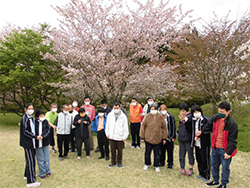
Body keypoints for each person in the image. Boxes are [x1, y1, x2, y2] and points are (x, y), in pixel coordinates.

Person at [196, 102, 238, 188]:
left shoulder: (232, 124)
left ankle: (223, 184)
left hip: (225, 149)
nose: (220, 113)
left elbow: (233, 140)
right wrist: (202, 131)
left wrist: (229, 152)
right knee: (214, 165)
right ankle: (215, 180)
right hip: (215, 147)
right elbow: (208, 126)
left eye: (222, 112)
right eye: (219, 111)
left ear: (228, 112)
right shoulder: (215, 118)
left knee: (225, 168)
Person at [140, 103, 168, 172]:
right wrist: (142, 137)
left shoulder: (160, 117)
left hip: (157, 138)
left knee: (157, 153)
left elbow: (164, 128)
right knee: (147, 153)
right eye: (152, 109)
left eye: (154, 109)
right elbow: (143, 126)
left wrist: (164, 138)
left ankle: (156, 165)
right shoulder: (147, 116)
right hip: (148, 138)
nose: (153, 111)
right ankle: (147, 164)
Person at [20, 103, 41, 187]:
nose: (31, 110)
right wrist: (35, 137)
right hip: (28, 143)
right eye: (29, 108)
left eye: (32, 108)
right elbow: (25, 131)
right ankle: (31, 181)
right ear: (25, 109)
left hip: (32, 142)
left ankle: (27, 175)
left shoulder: (31, 118)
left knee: (30, 159)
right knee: (31, 161)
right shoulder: (24, 118)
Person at [190, 105, 211, 182]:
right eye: (194, 112)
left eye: (198, 111)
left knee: (205, 159)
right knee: (199, 158)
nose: (196, 113)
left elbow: (210, 129)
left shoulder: (205, 120)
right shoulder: (194, 120)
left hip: (204, 143)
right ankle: (201, 173)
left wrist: (202, 132)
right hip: (196, 143)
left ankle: (207, 175)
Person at [105, 102, 129, 168]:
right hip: (112, 135)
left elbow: (125, 127)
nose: (116, 109)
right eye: (114, 108)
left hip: (120, 136)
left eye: (117, 108)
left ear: (120, 108)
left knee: (119, 150)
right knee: (112, 150)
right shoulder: (110, 115)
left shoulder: (123, 116)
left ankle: (119, 162)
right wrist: (107, 133)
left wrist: (124, 136)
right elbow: (107, 125)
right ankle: (113, 162)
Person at [177, 103, 194, 176]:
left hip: (188, 139)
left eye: (184, 110)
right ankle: (182, 167)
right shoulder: (180, 119)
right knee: (181, 155)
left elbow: (190, 128)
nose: (182, 112)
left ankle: (191, 168)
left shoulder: (190, 118)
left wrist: (185, 120)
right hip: (181, 139)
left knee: (190, 154)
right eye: (181, 110)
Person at [34, 109, 51, 179]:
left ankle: (48, 170)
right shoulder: (34, 122)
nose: (42, 117)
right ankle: (42, 172)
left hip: (45, 142)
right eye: (41, 116)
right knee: (40, 159)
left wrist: (43, 136)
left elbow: (48, 130)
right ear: (37, 116)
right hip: (37, 143)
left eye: (43, 115)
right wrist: (36, 137)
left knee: (46, 158)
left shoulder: (45, 122)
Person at [159, 104, 176, 169]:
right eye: (161, 109)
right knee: (162, 150)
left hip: (169, 137)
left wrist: (173, 136)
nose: (163, 111)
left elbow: (173, 126)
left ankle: (170, 163)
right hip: (161, 137)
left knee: (170, 151)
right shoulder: (159, 117)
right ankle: (161, 162)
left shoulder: (170, 117)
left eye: (164, 109)